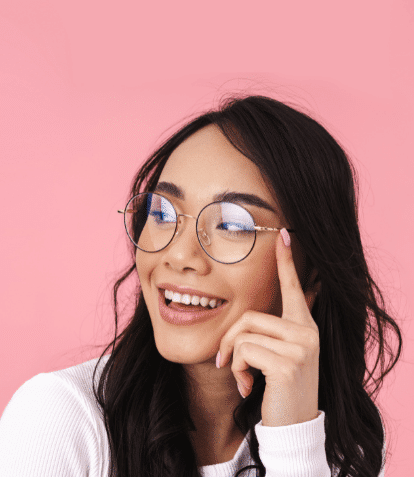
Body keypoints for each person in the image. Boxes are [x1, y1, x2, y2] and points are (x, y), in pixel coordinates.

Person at [0, 95, 402, 476]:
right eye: (162, 211)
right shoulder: (58, 418)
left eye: (231, 224)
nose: (178, 255)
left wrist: (294, 441)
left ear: (312, 270)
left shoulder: (349, 440)